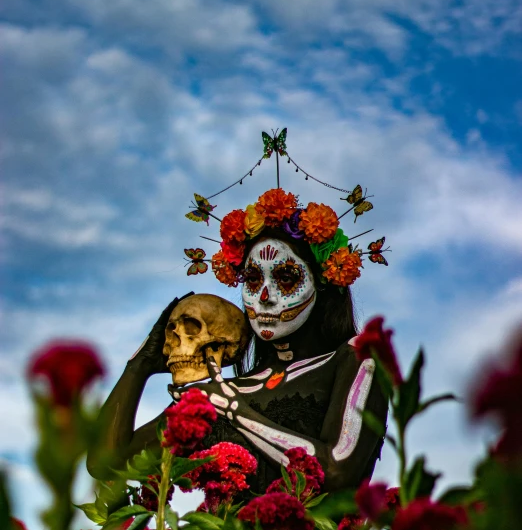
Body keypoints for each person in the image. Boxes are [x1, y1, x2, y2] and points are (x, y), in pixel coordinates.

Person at [87, 190, 388, 493]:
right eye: (253, 279)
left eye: (285, 278)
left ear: (322, 285)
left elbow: (337, 470)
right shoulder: (215, 396)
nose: (265, 297)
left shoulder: (357, 357)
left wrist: (234, 411)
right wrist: (139, 366)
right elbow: (107, 464)